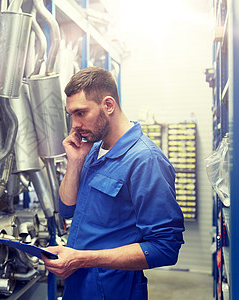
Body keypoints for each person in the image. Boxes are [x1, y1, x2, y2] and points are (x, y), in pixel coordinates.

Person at [41, 66, 185, 299]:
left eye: (80, 113)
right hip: (79, 286)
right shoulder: (93, 149)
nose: (75, 124)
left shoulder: (145, 160)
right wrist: (75, 162)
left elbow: (165, 248)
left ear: (108, 105)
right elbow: (67, 209)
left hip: (114, 289)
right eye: (72, 115)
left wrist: (82, 258)